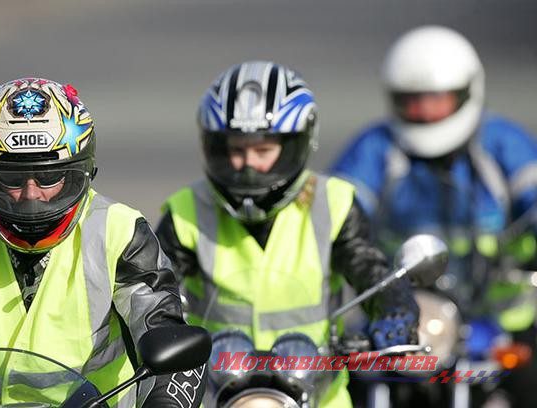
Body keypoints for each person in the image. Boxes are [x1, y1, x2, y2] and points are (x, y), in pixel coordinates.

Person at [155, 61, 419, 407]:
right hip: (218, 394)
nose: (247, 164)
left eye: (263, 150)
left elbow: (370, 269)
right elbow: (154, 289)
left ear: (297, 144)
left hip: (320, 396)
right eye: (236, 150)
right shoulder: (187, 208)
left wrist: (394, 309)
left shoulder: (333, 203)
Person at [0, 78, 206, 408]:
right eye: (11, 178)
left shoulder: (120, 231)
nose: (32, 195)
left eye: (49, 176)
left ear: (80, 169)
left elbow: (167, 334)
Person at [328, 25, 537, 406]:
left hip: (495, 310)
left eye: (436, 99)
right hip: (398, 310)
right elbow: (337, 206)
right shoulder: (376, 149)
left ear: (466, 92)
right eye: (413, 100)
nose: (424, 111)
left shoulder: (503, 143)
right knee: (338, 380)